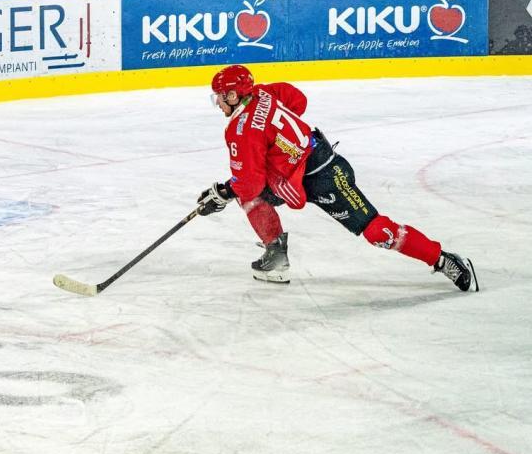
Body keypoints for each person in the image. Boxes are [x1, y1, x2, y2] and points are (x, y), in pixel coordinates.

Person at [196, 64, 477, 291]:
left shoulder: (240, 130)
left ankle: (442, 259)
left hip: (325, 175)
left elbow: (249, 182)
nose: (218, 103)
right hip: (295, 174)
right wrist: (283, 144)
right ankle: (276, 255)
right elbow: (298, 100)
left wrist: (223, 193)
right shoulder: (263, 94)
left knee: (376, 232)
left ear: (233, 96)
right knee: (249, 193)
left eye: (219, 97)